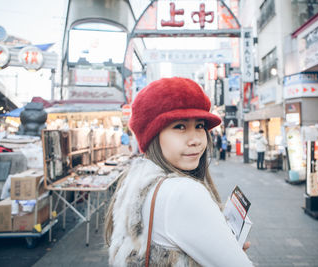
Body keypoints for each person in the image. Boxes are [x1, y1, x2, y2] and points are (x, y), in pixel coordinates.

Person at [105, 77, 253, 266]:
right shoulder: (182, 192)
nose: (196, 140)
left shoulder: (136, 179)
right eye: (180, 127)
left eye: (199, 126)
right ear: (153, 136)